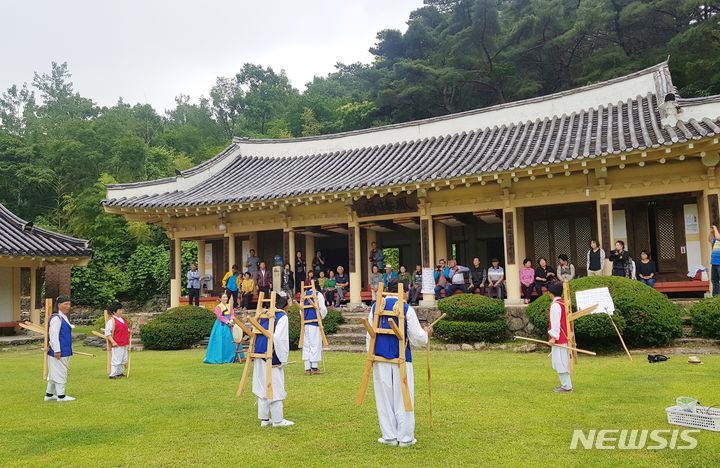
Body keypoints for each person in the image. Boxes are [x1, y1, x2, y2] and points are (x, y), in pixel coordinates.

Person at [368, 279, 432, 447]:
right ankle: (405, 438)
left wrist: (371, 356)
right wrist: (426, 334)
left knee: (384, 398)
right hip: (402, 360)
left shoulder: (376, 307)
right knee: (403, 398)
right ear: (402, 291)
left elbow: (370, 335)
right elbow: (417, 336)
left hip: (380, 358)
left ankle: (389, 436)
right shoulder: (405, 308)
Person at [253, 292, 293, 428]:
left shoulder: (264, 314)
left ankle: (264, 419)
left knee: (261, 384)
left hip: (259, 352)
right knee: (275, 385)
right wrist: (283, 358)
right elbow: (279, 338)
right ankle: (277, 420)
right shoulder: (281, 316)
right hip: (271, 354)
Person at [45, 295, 76, 402]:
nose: (68, 306)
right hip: (59, 351)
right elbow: (53, 335)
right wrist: (57, 350)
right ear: (59, 305)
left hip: (65, 349)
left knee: (54, 372)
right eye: (65, 304)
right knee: (60, 372)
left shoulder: (63, 317)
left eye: (69, 304)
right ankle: (61, 396)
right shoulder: (56, 318)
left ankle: (49, 395)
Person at [547, 281, 572, 393]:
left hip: (559, 338)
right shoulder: (562, 303)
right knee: (562, 361)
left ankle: (566, 386)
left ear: (551, 293)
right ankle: (566, 385)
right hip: (564, 337)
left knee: (560, 362)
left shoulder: (556, 305)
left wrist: (553, 337)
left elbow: (556, 323)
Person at [301, 281, 328, 375]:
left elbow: (301, 310)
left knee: (306, 345)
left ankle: (307, 368)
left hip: (305, 323)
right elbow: (323, 309)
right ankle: (314, 367)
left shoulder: (304, 295)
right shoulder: (318, 294)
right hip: (314, 322)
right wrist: (321, 317)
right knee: (315, 344)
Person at [204, 293, 237, 364]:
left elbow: (232, 314)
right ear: (220, 299)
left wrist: (231, 320)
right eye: (224, 297)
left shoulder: (229, 306)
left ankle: (232, 356)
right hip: (221, 324)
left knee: (231, 339)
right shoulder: (218, 307)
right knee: (220, 339)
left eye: (226, 297)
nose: (225, 298)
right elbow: (220, 316)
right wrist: (227, 322)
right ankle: (220, 357)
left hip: (230, 323)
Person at [104, 302, 130, 379]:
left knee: (123, 359)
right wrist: (113, 342)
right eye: (119, 310)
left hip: (124, 342)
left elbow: (125, 329)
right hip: (117, 343)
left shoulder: (123, 319)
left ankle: (119, 372)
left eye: (121, 309)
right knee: (117, 359)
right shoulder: (111, 321)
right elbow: (107, 332)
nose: (121, 311)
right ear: (114, 311)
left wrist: (129, 331)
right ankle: (113, 374)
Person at [708, 225, 720, 296]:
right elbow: (709, 239)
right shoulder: (715, 240)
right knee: (714, 281)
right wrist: (710, 232)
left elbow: (718, 237)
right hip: (714, 263)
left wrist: (715, 229)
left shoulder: (718, 238)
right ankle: (715, 297)